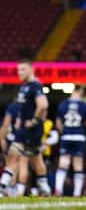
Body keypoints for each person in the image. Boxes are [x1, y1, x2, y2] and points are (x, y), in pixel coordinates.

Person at [12, 59, 51, 197]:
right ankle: (42, 188)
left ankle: (15, 189)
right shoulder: (25, 86)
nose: (19, 73)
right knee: (31, 158)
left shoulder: (35, 86)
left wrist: (34, 121)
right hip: (24, 128)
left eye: (23, 69)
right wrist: (19, 120)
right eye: (18, 70)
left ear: (31, 70)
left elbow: (43, 105)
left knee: (27, 158)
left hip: (32, 130)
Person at [54, 84, 86, 197]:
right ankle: (76, 193)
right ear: (80, 90)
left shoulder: (63, 104)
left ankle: (58, 190)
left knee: (63, 163)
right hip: (79, 136)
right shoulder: (84, 105)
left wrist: (65, 131)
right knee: (78, 164)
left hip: (66, 135)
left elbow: (58, 123)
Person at [0, 101, 21, 196]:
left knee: (11, 165)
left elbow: (4, 127)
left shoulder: (11, 109)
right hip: (18, 140)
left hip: (10, 140)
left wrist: (2, 140)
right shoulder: (27, 107)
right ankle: (10, 189)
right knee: (15, 165)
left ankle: (9, 189)